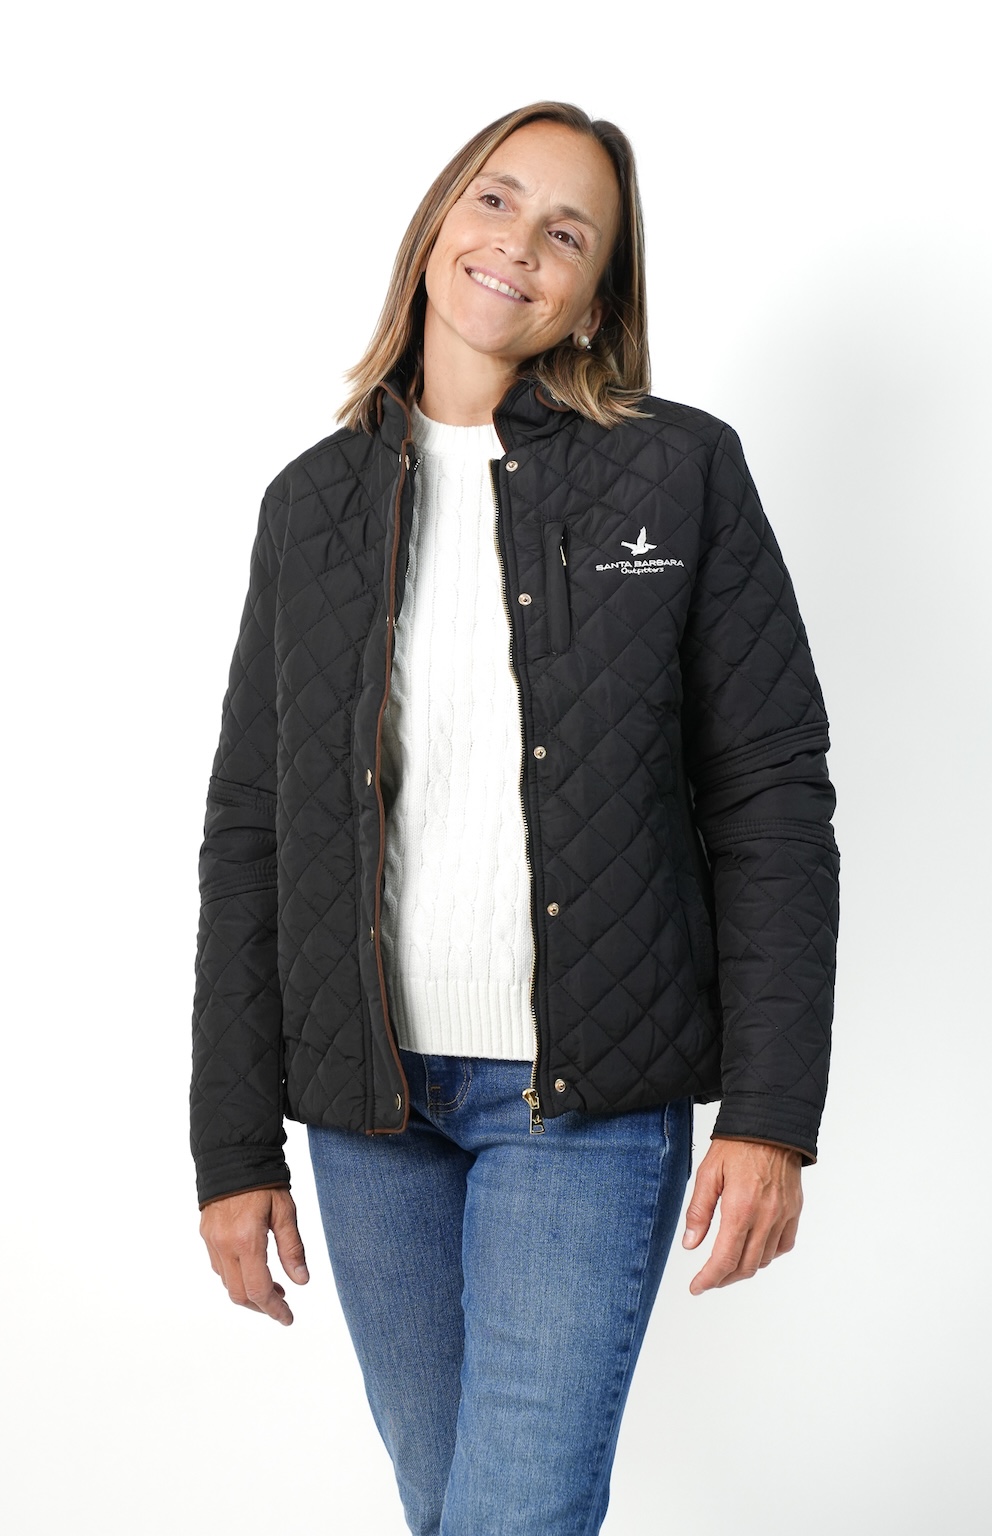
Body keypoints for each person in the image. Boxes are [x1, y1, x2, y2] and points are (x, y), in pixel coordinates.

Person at [190, 100, 839, 1535]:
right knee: (452, 1517)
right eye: (495, 199)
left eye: (567, 232)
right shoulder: (311, 506)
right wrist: (231, 1144)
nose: (518, 245)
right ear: (437, 224)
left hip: (584, 1107)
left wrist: (773, 1113)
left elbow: (771, 794)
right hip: (370, 1111)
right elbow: (251, 827)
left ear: (594, 294)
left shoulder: (679, 471)